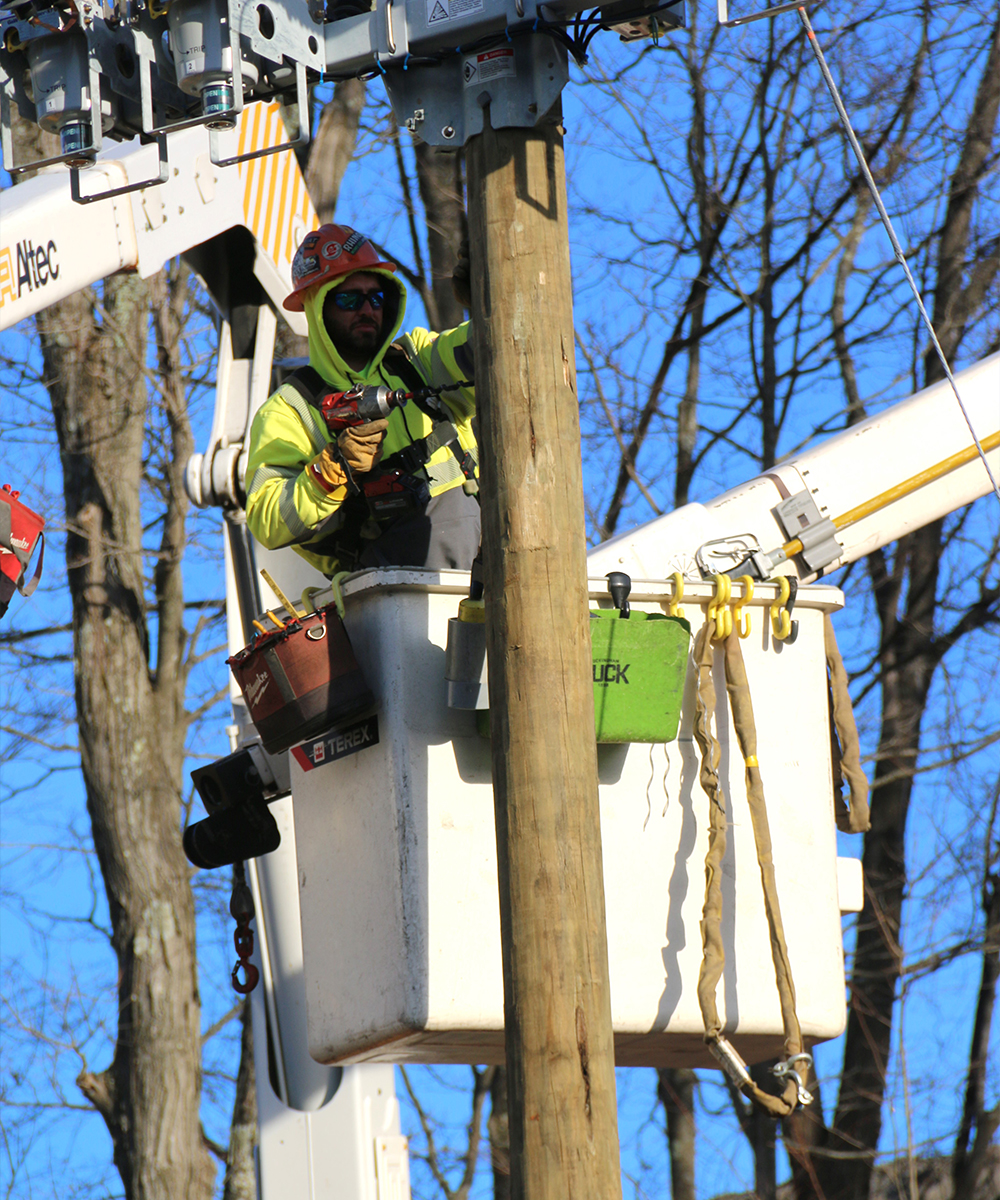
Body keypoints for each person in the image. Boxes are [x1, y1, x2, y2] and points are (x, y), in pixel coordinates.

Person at [245, 225, 479, 578]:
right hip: (390, 589)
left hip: (486, 552)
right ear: (317, 307)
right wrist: (331, 470)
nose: (366, 309)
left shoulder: (417, 360)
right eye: (349, 300)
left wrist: (492, 304)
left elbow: (497, 360)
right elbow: (267, 518)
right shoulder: (291, 410)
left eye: (376, 298)